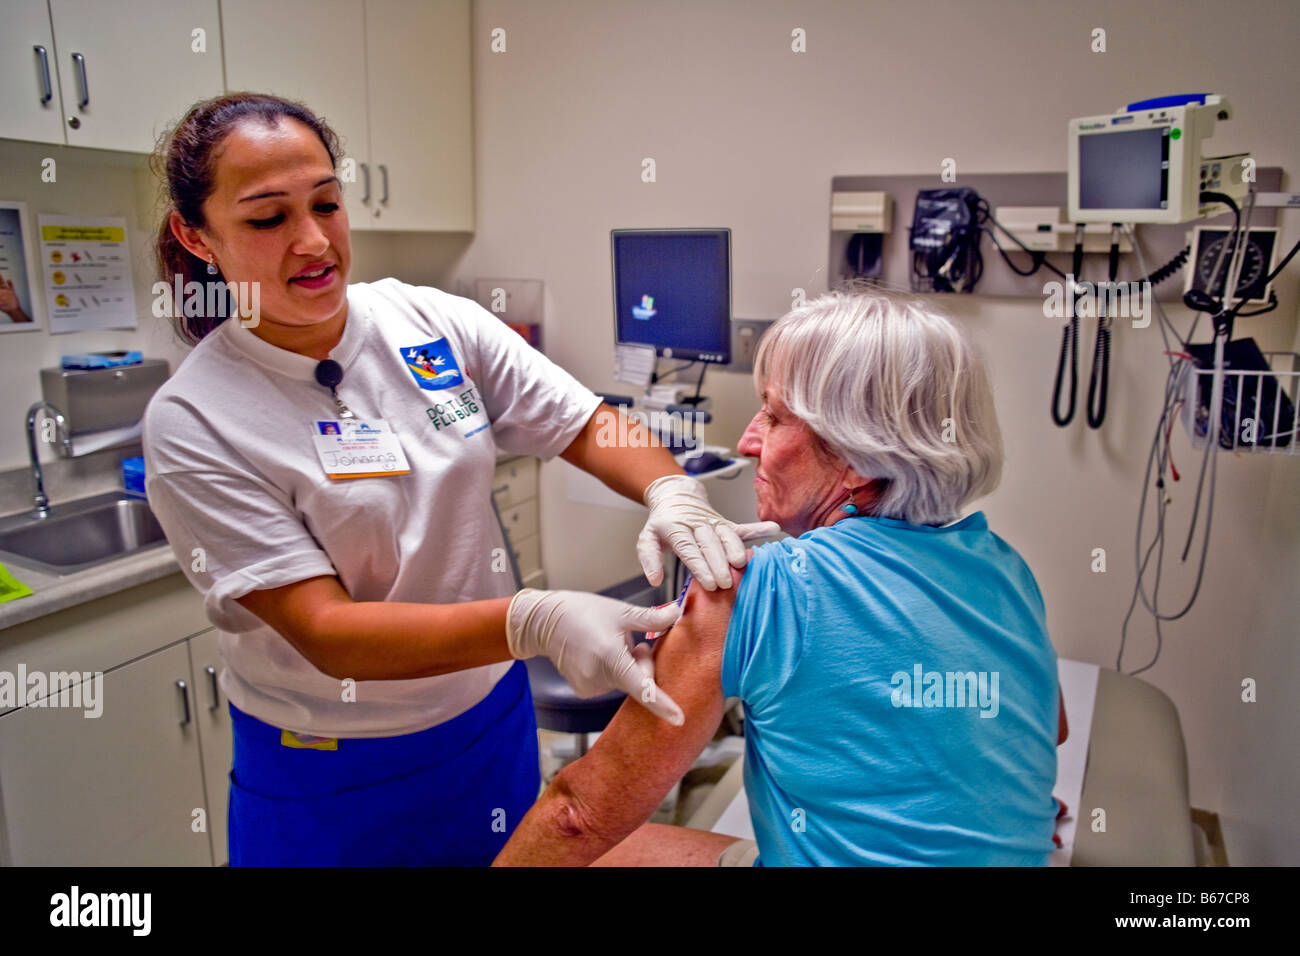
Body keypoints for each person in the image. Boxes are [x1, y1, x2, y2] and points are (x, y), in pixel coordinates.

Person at [141, 92, 776, 866]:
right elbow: (328, 632)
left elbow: (584, 422)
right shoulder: (196, 420)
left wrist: (671, 490)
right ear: (194, 233)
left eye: (327, 204)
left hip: (487, 721)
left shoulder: (429, 322)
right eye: (268, 218)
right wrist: (530, 620)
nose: (313, 241)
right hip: (333, 762)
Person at [495, 289, 1065, 867]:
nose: (747, 441)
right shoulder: (1006, 569)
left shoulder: (755, 588)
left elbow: (578, 817)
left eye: (773, 416)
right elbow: (1048, 727)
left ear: (858, 457)